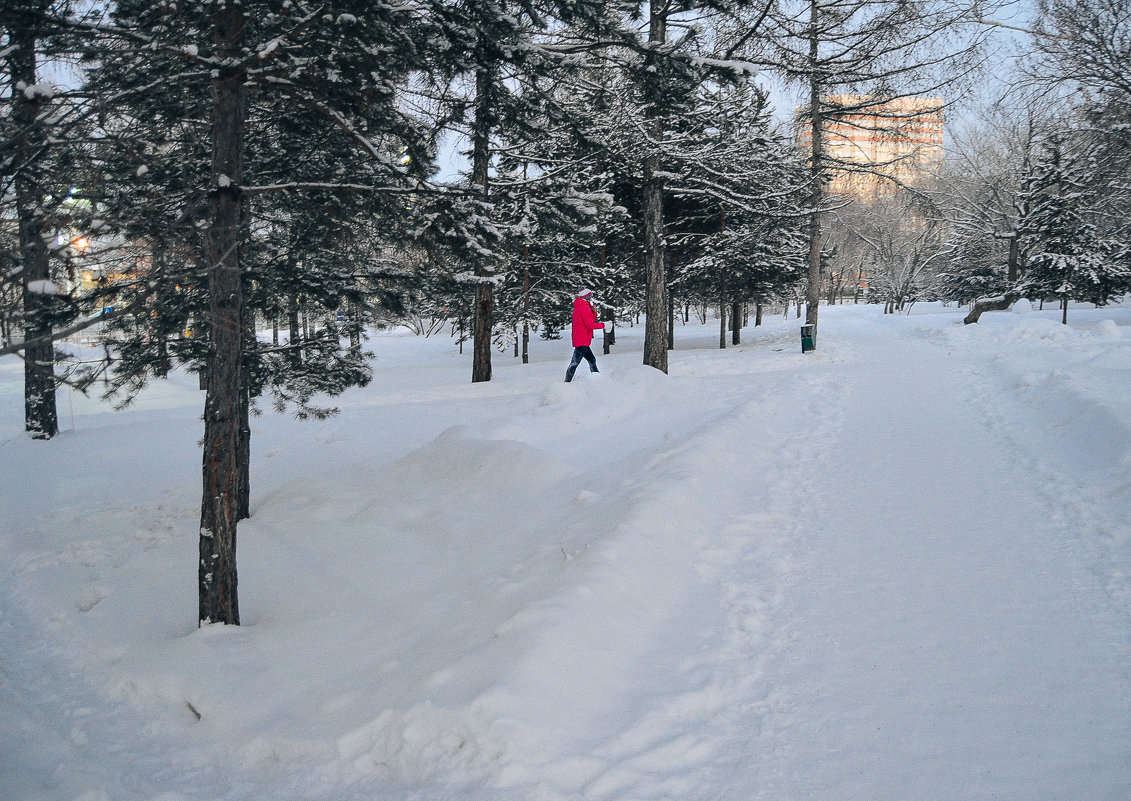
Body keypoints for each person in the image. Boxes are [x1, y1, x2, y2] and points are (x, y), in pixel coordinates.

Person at [565, 288, 605, 382]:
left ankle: (597, 379)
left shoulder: (580, 306)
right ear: (586, 298)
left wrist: (594, 312)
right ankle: (567, 382)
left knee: (592, 360)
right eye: (590, 297)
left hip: (582, 339)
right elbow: (590, 325)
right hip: (582, 340)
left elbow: (589, 321)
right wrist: (604, 325)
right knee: (575, 363)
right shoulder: (584, 308)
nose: (591, 299)